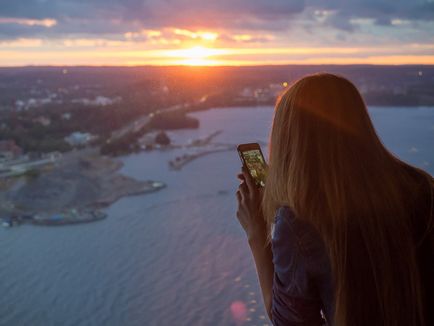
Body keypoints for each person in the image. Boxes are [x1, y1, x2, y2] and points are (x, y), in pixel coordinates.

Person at [235, 73, 433, 326]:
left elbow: (290, 322)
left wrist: (257, 232)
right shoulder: (421, 186)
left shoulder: (300, 222)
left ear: (289, 141)